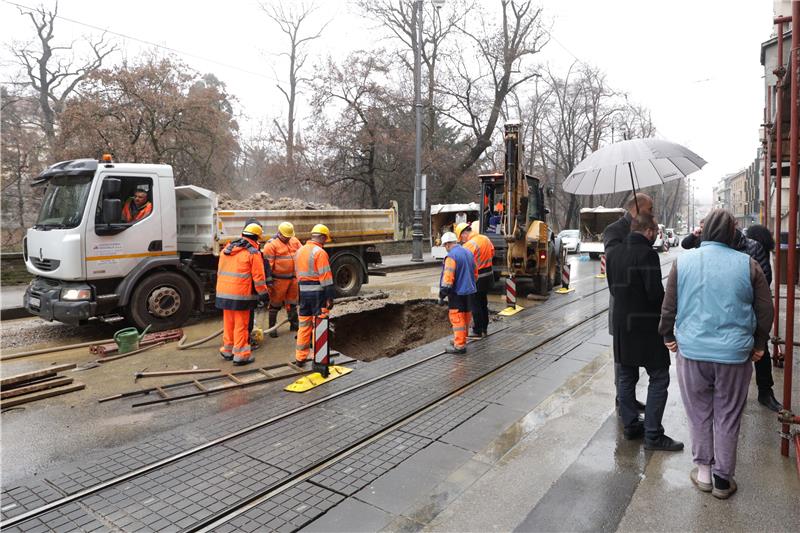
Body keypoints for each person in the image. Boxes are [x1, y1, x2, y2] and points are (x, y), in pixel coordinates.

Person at [659, 209, 773, 499]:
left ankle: (704, 473)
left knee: (698, 413)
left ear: (704, 232)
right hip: (735, 355)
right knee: (728, 415)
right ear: (734, 234)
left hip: (693, 352)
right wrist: (759, 344)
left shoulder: (682, 263)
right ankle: (723, 480)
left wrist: (668, 335)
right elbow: (765, 310)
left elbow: (669, 305)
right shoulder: (749, 264)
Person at [606, 213, 683, 451]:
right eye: (655, 232)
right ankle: (653, 435)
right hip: (647, 326)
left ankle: (630, 426)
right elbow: (654, 294)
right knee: (659, 377)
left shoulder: (614, 253)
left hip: (622, 324)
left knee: (626, 376)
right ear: (649, 230)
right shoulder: (648, 254)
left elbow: (613, 288)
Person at [603, 192, 654, 413]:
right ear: (638, 208)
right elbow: (616, 263)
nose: (652, 213)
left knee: (635, 355)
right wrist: (637, 240)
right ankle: (622, 399)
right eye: (649, 209)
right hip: (622, 303)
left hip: (642, 305)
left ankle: (629, 399)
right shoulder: (613, 231)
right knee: (622, 358)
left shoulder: (643, 228)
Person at [738, 225, 782, 411]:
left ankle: (763, 392)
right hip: (736, 308)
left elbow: (766, 279)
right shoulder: (718, 246)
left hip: (751, 305)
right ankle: (749, 393)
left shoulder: (754, 248)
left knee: (759, 347)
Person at [215, 221, 271, 365]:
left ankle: (227, 350)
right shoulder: (253, 253)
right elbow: (258, 279)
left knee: (229, 323)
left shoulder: (227, 249)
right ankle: (241, 355)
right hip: (241, 295)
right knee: (241, 325)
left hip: (223, 293)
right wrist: (264, 295)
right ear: (257, 238)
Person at [294, 224, 335, 367]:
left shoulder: (299, 251)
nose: (325, 242)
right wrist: (329, 297)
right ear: (322, 237)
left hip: (303, 294)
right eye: (325, 239)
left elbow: (298, 275)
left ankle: (300, 357)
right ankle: (320, 358)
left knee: (304, 325)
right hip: (318, 294)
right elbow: (326, 277)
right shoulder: (320, 252)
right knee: (320, 325)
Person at [439, 231, 477, 354]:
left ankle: (459, 345)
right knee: (466, 314)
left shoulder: (451, 256)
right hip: (470, 290)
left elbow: (448, 278)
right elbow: (475, 273)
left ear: (448, 244)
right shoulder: (468, 252)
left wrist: (443, 294)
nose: (445, 248)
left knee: (457, 317)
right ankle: (461, 338)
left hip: (457, 292)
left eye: (445, 245)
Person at [262, 221, 302, 338]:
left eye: (290, 236)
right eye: (286, 236)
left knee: (293, 303)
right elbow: (267, 266)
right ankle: (272, 328)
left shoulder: (294, 240)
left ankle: (294, 324)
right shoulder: (271, 245)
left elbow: (302, 254)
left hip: (293, 279)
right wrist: (269, 282)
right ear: (279, 233)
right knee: (275, 304)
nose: (288, 239)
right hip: (278, 281)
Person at [455, 222, 494, 338]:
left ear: (464, 233)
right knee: (483, 302)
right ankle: (484, 328)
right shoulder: (485, 238)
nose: (462, 240)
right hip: (488, 276)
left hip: (478, 278)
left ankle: (477, 330)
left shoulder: (469, 245)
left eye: (461, 237)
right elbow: (492, 252)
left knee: (475, 304)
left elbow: (464, 263)